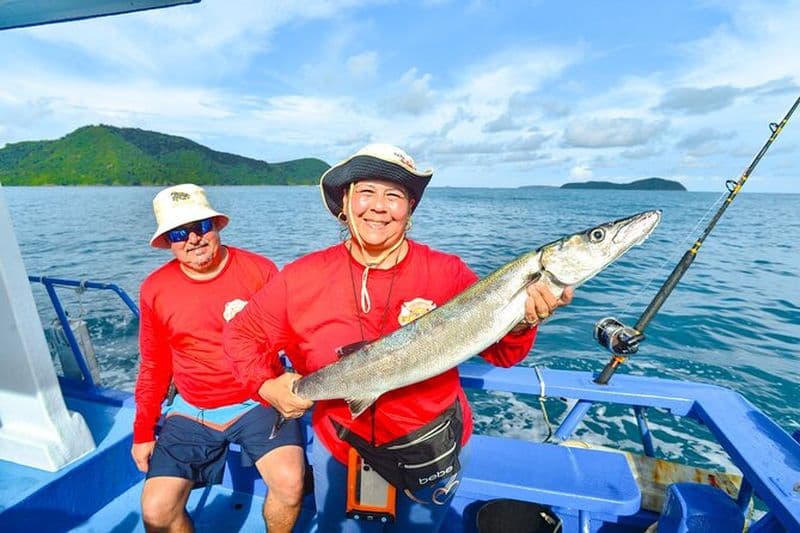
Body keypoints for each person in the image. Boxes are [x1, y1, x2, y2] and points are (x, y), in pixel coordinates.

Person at [223, 145, 573, 531]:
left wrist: (523, 322)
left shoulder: (447, 273)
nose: (378, 206)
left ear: (409, 210)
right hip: (341, 445)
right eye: (366, 192)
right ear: (345, 202)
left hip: (431, 447)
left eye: (394, 195)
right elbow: (241, 334)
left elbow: (503, 355)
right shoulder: (301, 277)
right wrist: (266, 385)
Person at [131, 184, 306, 533]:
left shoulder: (260, 271)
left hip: (258, 400)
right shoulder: (155, 289)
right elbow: (154, 365)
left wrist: (301, 384)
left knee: (290, 485)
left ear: (217, 226)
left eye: (201, 227)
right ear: (168, 241)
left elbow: (294, 337)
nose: (193, 238)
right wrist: (142, 431)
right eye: (180, 232)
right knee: (156, 511)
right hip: (193, 407)